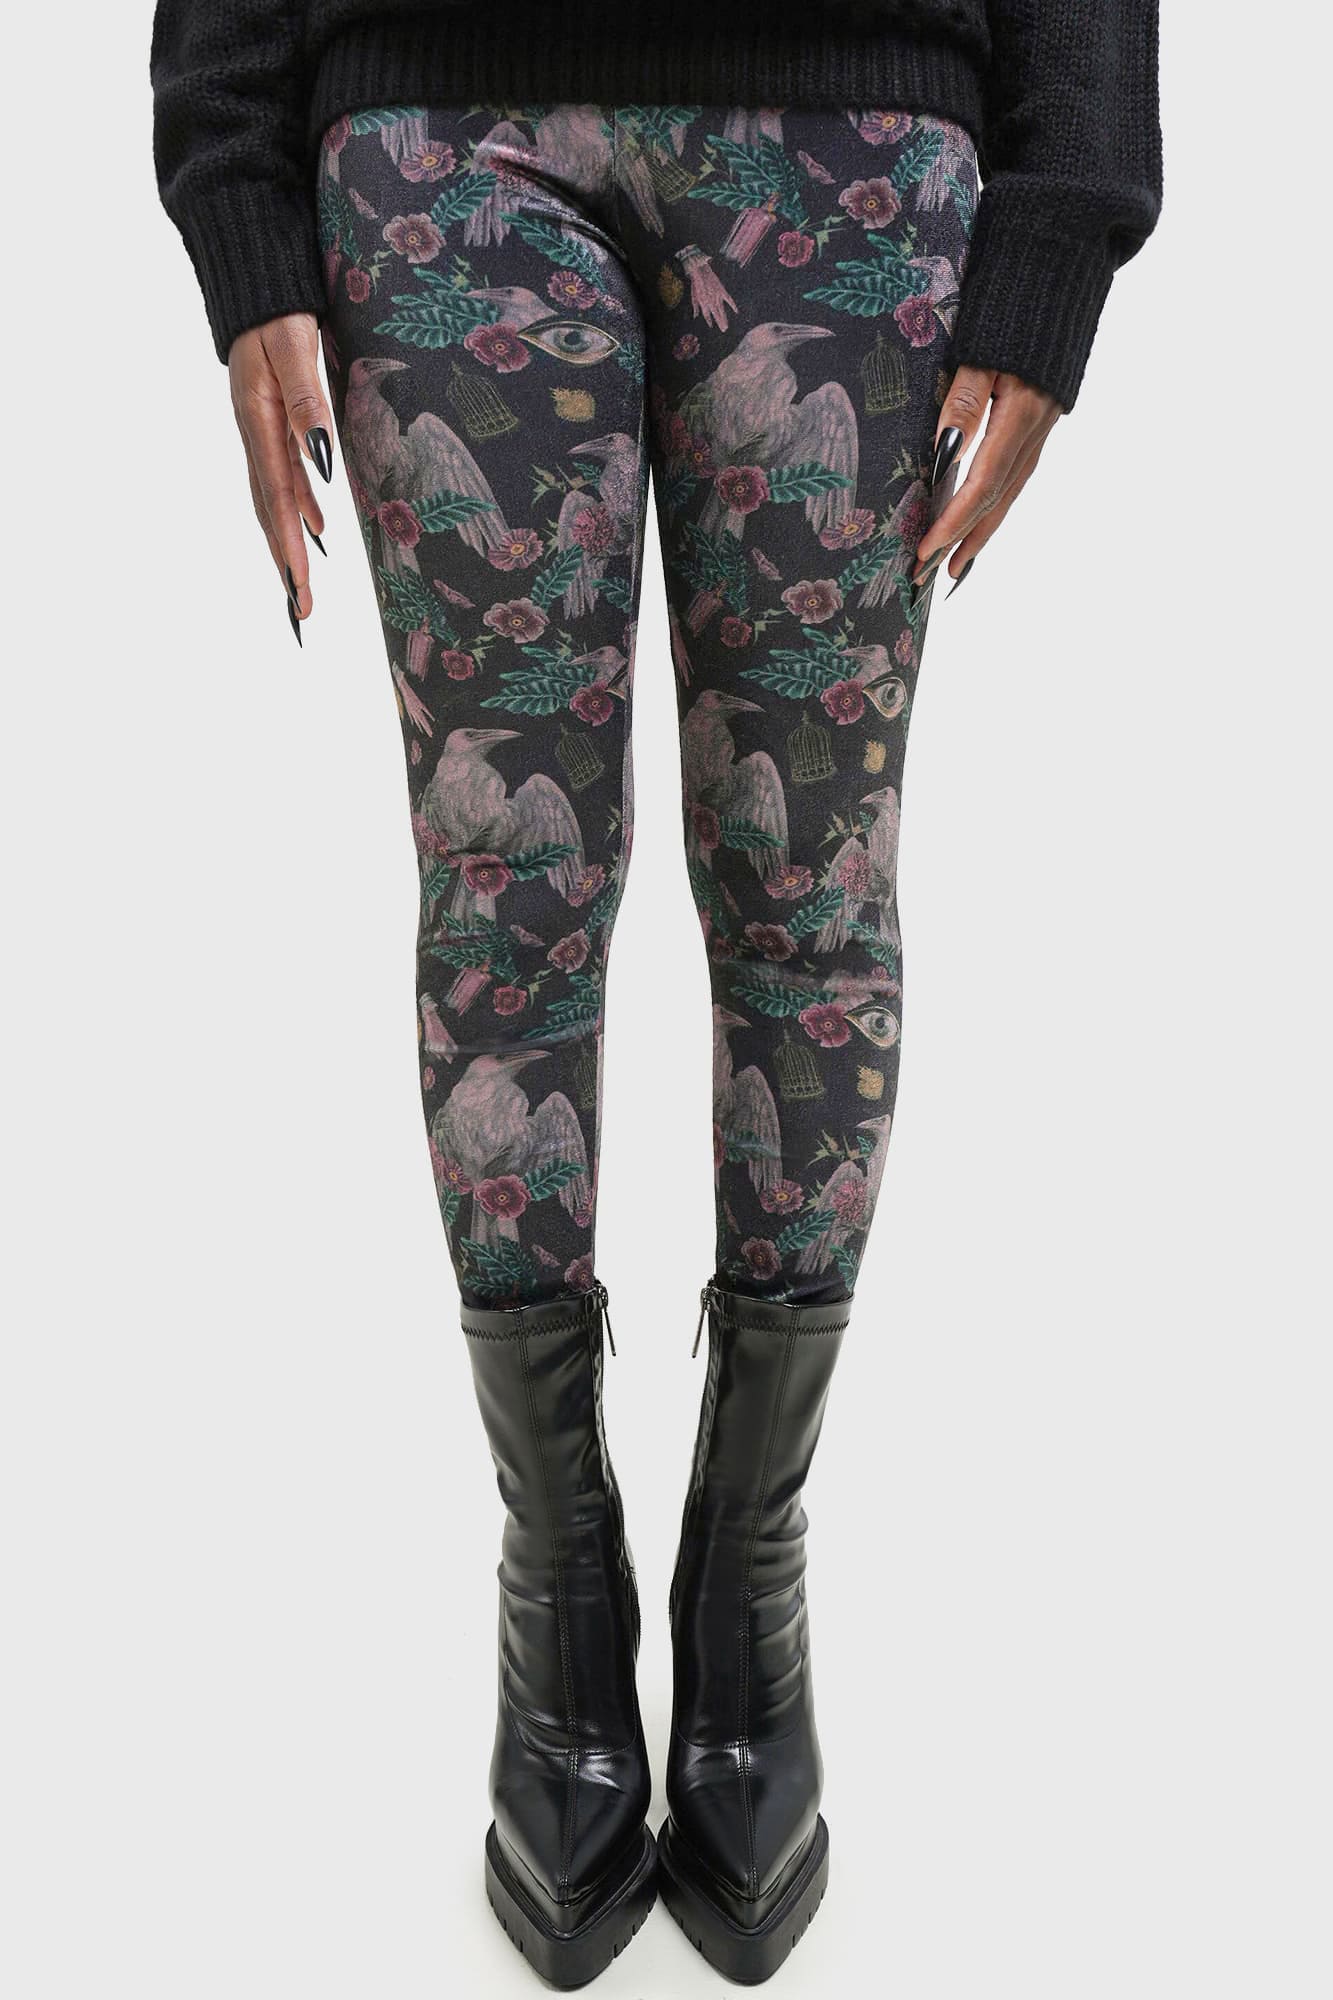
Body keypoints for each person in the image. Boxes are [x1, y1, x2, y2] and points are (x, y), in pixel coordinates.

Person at [151, 2, 1161, 1983]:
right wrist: (231, 172)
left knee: (810, 890)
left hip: (859, 122)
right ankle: (558, 1576)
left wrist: (1071, 204)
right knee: (504, 893)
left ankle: (745, 1570)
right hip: (437, 118)